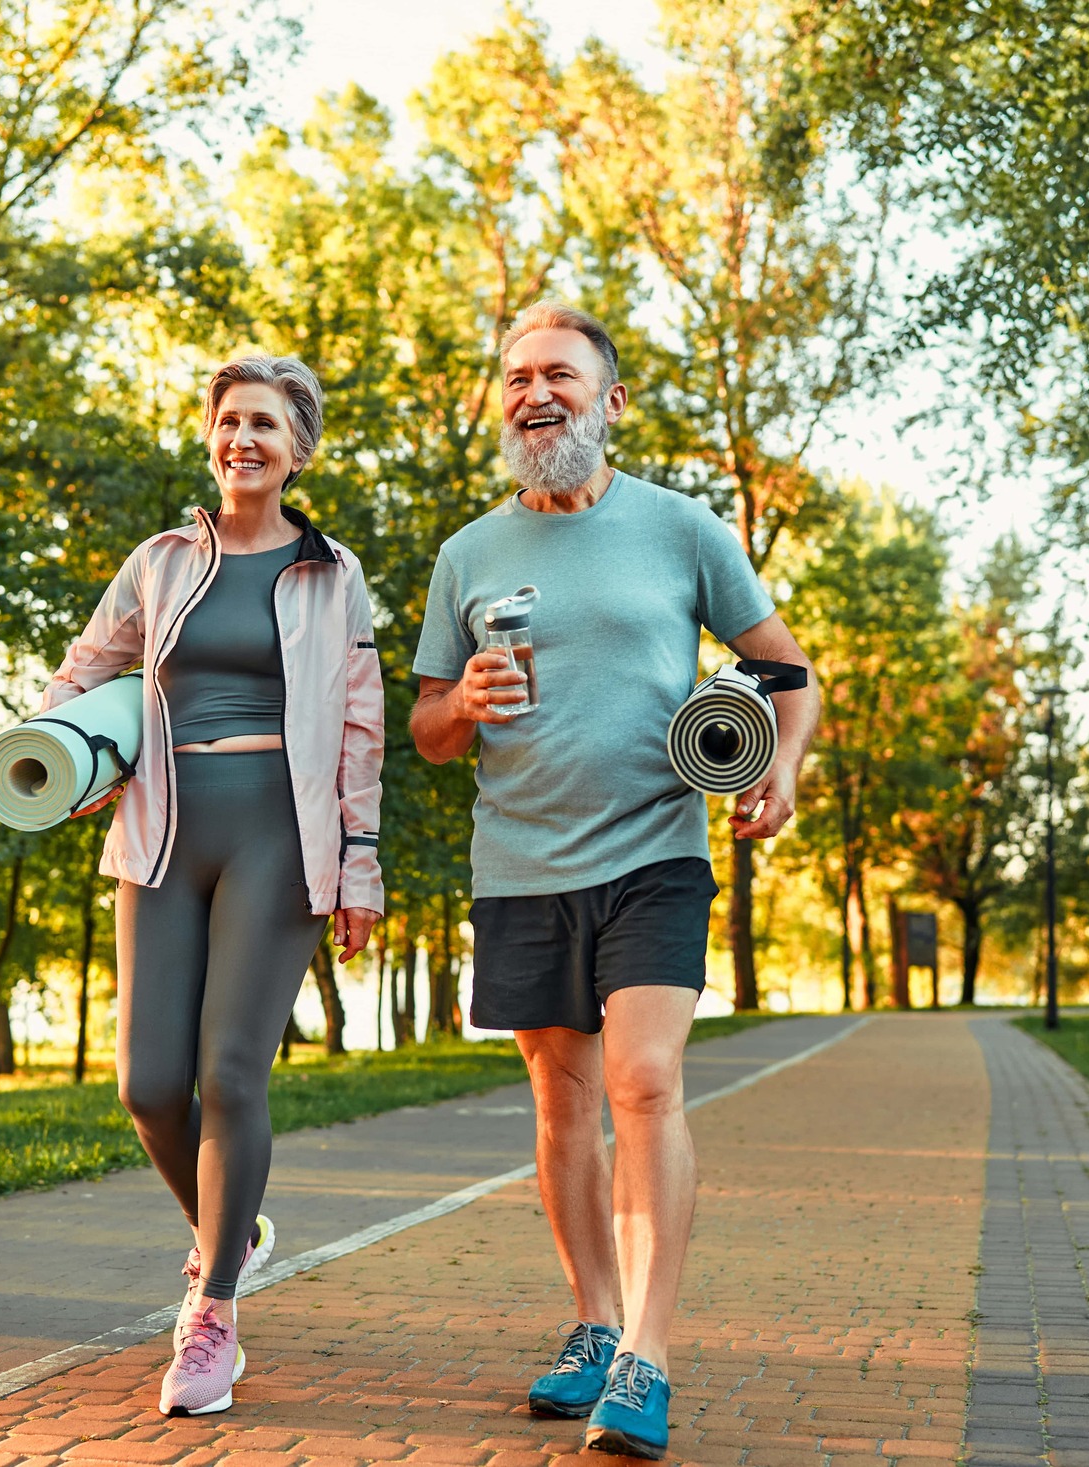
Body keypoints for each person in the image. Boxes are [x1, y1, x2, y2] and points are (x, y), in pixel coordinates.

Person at [409, 303, 819, 1459]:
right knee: (562, 1105)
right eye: (514, 377)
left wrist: (780, 767)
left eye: (559, 375)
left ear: (610, 400)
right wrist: (459, 707)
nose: (534, 392)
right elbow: (428, 730)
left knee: (641, 1084)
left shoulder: (682, 529)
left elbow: (787, 672)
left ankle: (647, 1353)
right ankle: (591, 1320)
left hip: (654, 851)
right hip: (522, 862)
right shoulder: (467, 555)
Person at [42, 355, 385, 1418]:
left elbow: (363, 724)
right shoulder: (159, 562)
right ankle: (230, 1228)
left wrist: (360, 862)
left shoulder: (332, 573)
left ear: (298, 451)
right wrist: (65, 753)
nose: (245, 439)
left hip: (280, 836)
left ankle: (213, 1316)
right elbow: (83, 671)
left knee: (231, 1076)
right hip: (161, 830)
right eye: (231, 421)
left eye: (267, 426)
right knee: (148, 1086)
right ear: (210, 437)